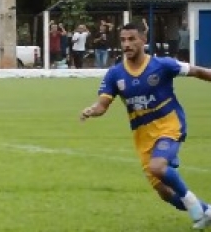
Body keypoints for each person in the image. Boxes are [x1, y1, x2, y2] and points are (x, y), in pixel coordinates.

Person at [80, 23, 211, 229]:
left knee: (157, 167)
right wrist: (91, 110)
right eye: (123, 40)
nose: (127, 44)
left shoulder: (162, 65)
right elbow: (102, 105)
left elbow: (197, 71)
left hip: (170, 123)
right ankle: (206, 211)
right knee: (165, 193)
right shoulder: (115, 74)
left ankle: (195, 208)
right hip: (143, 136)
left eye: (132, 39)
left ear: (143, 40)